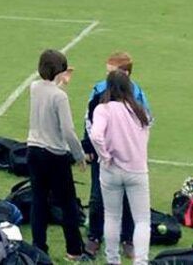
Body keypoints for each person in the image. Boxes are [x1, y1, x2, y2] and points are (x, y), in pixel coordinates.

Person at [83, 53, 151, 259]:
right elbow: (88, 120)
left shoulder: (133, 96)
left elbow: (93, 128)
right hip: (131, 164)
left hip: (110, 163)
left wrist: (104, 154)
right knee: (100, 200)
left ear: (125, 74)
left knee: (115, 212)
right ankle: (96, 236)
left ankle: (121, 247)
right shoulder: (100, 92)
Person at [27, 49, 88, 261]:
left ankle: (39, 247)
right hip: (54, 155)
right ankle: (74, 249)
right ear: (59, 71)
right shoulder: (60, 97)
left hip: (33, 151)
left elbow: (48, 94)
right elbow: (68, 131)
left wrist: (61, 81)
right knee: (67, 204)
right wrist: (79, 155)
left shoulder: (34, 87)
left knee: (39, 201)